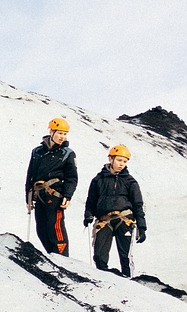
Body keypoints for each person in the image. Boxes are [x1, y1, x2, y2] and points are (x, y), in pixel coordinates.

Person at [83, 144, 146, 276]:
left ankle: (129, 280)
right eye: (119, 160)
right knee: (99, 256)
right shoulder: (98, 179)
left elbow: (137, 204)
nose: (121, 164)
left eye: (124, 161)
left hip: (124, 220)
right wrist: (88, 215)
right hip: (104, 220)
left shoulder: (130, 181)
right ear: (111, 159)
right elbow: (91, 200)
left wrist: (142, 226)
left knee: (125, 256)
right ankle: (105, 280)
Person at [25, 117, 78, 255]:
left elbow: (71, 177)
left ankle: (63, 258)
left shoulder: (67, 153)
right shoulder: (37, 151)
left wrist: (68, 195)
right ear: (51, 131)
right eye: (60, 133)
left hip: (55, 195)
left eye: (65, 134)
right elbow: (30, 174)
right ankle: (52, 256)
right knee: (41, 230)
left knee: (55, 227)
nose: (62, 137)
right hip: (39, 194)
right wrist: (28, 198)